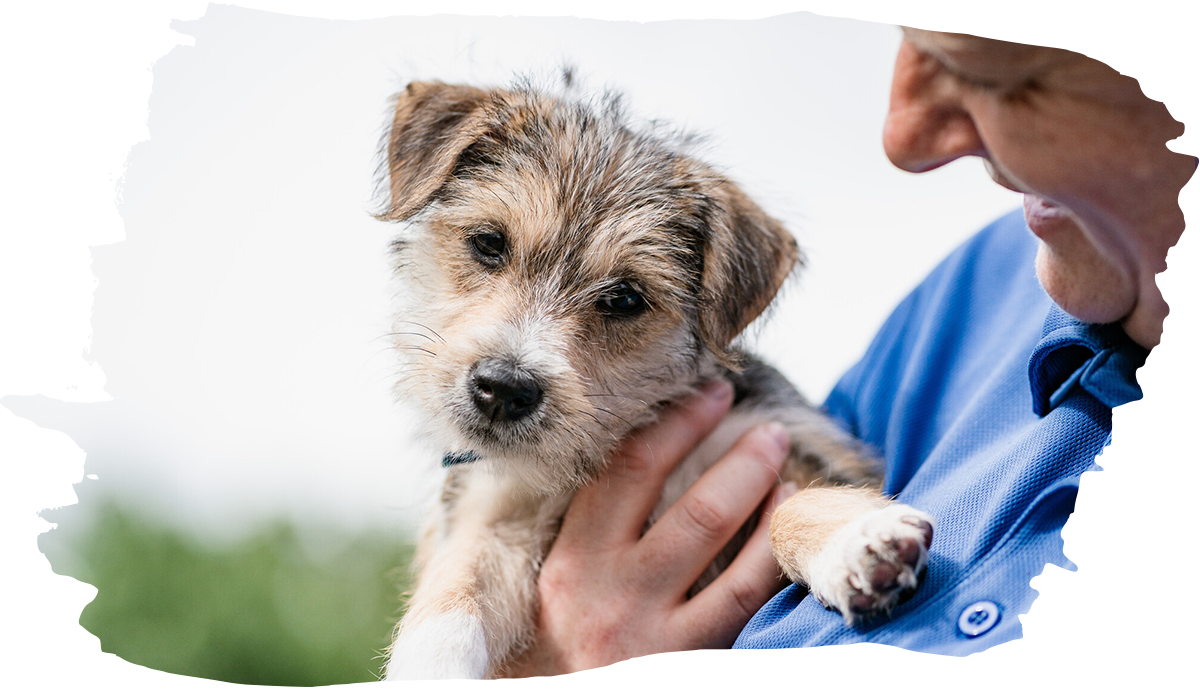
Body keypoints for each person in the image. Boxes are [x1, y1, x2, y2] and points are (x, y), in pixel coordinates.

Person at [497, 2, 1195, 685]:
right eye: (908, 31)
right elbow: (771, 521)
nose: (903, 136)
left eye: (1005, 74)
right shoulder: (973, 306)